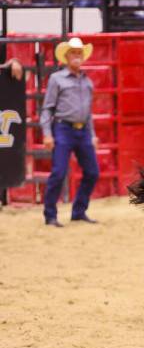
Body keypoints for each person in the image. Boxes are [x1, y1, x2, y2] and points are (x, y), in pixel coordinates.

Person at [40, 38, 100, 227]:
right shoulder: (56, 79)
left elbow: (88, 112)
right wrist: (47, 133)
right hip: (63, 128)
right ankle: (50, 214)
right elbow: (47, 108)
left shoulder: (87, 82)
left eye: (79, 53)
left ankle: (79, 211)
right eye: (73, 53)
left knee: (92, 172)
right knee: (58, 172)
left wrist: (92, 135)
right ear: (66, 57)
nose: (77, 56)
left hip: (82, 131)